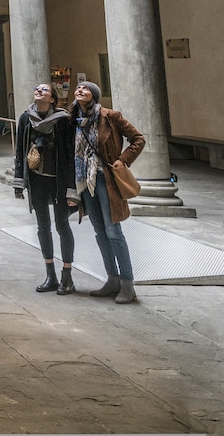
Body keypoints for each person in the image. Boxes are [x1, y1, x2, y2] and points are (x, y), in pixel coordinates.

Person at [71, 81, 144, 305]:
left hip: (106, 179)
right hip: (85, 180)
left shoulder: (110, 116)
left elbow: (138, 139)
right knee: (99, 231)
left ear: (94, 95)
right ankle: (112, 279)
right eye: (78, 88)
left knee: (113, 231)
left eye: (85, 88)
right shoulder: (73, 119)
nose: (80, 90)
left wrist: (122, 160)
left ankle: (128, 284)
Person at [13, 81, 76, 294]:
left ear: (52, 99)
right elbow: (20, 151)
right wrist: (18, 181)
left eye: (45, 90)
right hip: (37, 180)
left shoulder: (62, 121)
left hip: (58, 181)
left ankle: (67, 276)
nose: (39, 91)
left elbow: (69, 154)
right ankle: (51, 274)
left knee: (62, 225)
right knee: (43, 226)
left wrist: (72, 187)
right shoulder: (25, 118)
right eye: (37, 89)